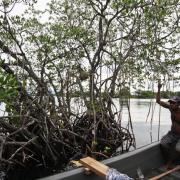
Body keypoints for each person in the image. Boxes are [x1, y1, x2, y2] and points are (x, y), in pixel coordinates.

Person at [156, 82, 180, 168]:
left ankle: (176, 162)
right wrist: (159, 89)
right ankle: (169, 161)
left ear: (178, 104)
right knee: (163, 144)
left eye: (174, 103)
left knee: (178, 148)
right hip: (172, 134)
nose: (172, 104)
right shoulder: (171, 108)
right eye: (171, 102)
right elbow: (158, 101)